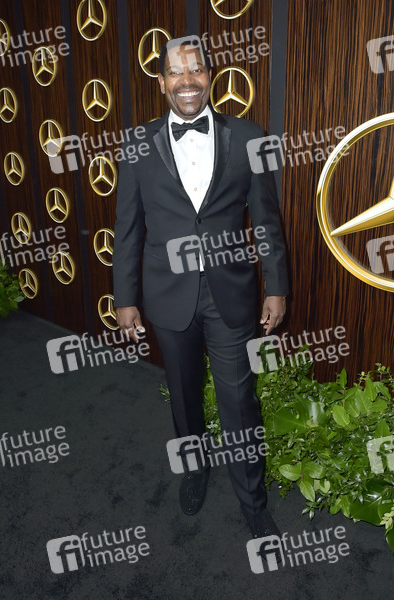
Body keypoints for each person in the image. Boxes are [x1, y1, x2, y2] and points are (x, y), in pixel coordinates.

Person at [113, 37, 289, 548]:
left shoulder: (249, 135)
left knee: (239, 401)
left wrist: (276, 286)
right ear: (162, 81)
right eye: (176, 71)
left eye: (196, 70)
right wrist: (125, 298)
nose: (186, 81)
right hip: (168, 295)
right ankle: (195, 470)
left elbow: (267, 222)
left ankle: (254, 503)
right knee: (185, 399)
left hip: (230, 293)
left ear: (209, 76)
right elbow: (128, 229)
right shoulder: (138, 143)